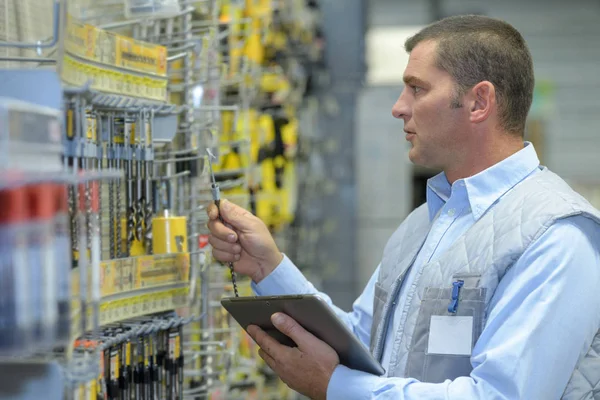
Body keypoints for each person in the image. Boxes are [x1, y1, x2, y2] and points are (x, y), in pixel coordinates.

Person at [207, 15, 600, 400]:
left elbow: (500, 395)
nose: (398, 107)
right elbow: (364, 343)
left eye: (417, 88)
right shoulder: (425, 223)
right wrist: (268, 268)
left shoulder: (557, 236)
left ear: (479, 102)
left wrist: (337, 388)